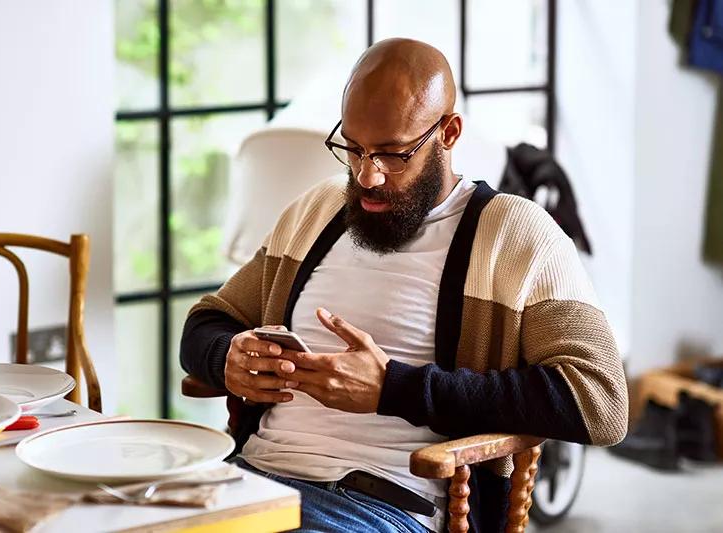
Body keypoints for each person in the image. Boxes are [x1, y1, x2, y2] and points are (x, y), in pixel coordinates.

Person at [181, 38, 628, 533]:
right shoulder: (318, 211)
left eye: (393, 155)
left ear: (449, 132)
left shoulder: (515, 233)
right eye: (352, 148)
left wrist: (392, 388)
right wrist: (227, 357)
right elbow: (206, 320)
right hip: (250, 484)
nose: (367, 176)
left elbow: (600, 402)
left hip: (380, 504)